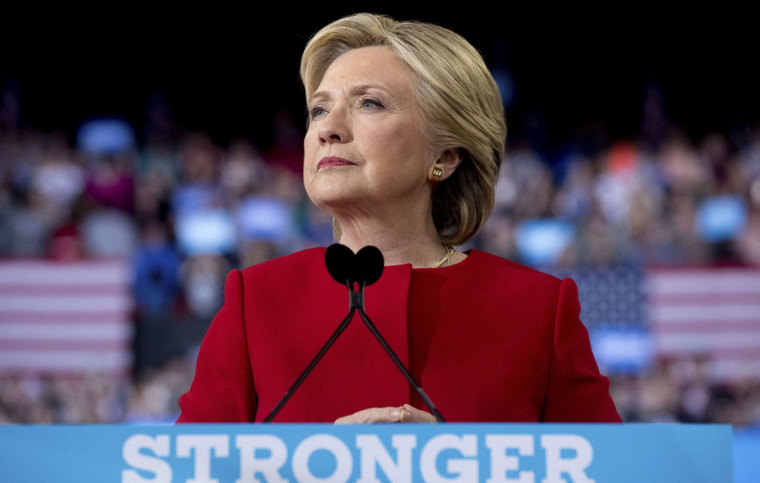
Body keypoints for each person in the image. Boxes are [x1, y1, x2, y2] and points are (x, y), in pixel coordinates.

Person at [176, 12, 621, 424]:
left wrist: (451, 460)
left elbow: (610, 472)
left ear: (445, 155)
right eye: (319, 109)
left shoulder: (537, 309)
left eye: (369, 103)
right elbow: (184, 471)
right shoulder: (256, 302)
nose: (328, 128)